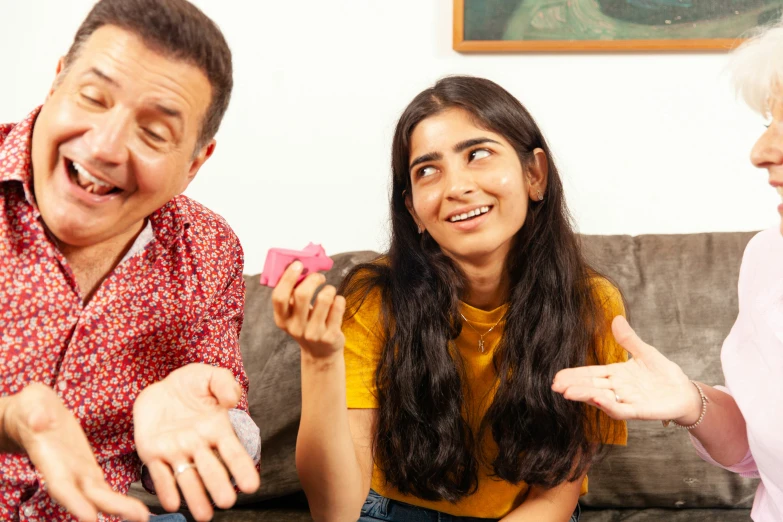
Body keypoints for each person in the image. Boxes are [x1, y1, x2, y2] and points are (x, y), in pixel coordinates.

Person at [273, 76, 627, 522]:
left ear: (534, 174)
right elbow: (335, 513)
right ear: (413, 209)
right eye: (428, 170)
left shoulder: (592, 305)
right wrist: (319, 359)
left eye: (477, 154)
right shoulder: (373, 301)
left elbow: (556, 497)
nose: (456, 186)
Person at [0, 0, 261, 520]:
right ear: (56, 85)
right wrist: (13, 418)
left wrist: (215, 427)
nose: (104, 147)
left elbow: (228, 434)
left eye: (154, 132)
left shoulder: (208, 248)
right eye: (93, 98)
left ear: (194, 163)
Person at [551, 20, 783, 522]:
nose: (761, 152)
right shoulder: (769, 258)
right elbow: (756, 450)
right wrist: (688, 401)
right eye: (769, 123)